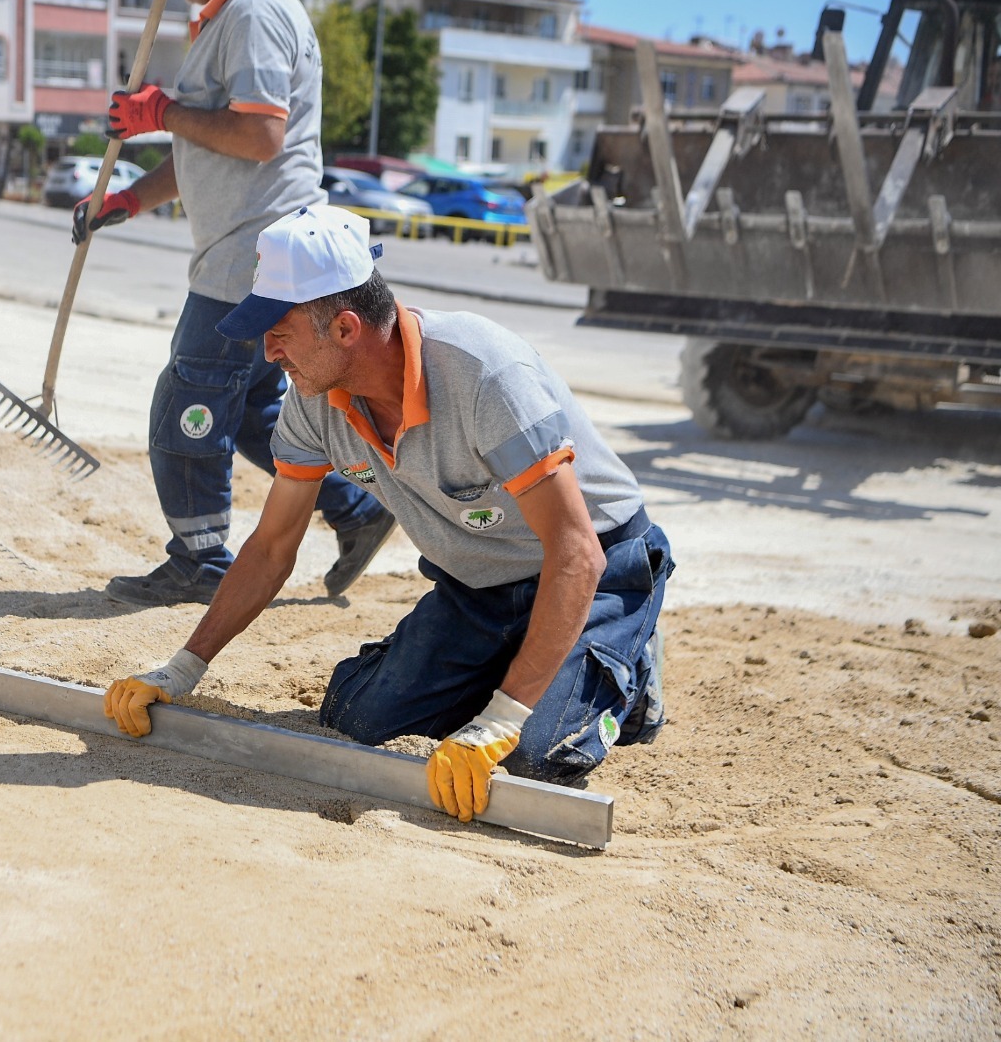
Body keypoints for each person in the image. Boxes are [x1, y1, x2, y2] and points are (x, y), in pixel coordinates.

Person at [102, 205, 674, 820]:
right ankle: (522, 668)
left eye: (280, 330)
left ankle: (629, 674)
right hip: (479, 587)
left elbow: (576, 552)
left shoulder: (485, 374)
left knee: (537, 755)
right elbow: (271, 547)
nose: (268, 352)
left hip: (599, 573)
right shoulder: (313, 400)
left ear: (345, 328)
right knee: (358, 717)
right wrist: (183, 667)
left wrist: (502, 719)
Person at [70, 0, 393, 608]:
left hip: (254, 259)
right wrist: (130, 199)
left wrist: (161, 112)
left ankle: (199, 561)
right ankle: (357, 511)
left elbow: (259, 135)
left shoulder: (256, 10)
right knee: (251, 415)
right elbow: (210, 149)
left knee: (186, 402)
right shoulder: (227, 18)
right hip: (250, 254)